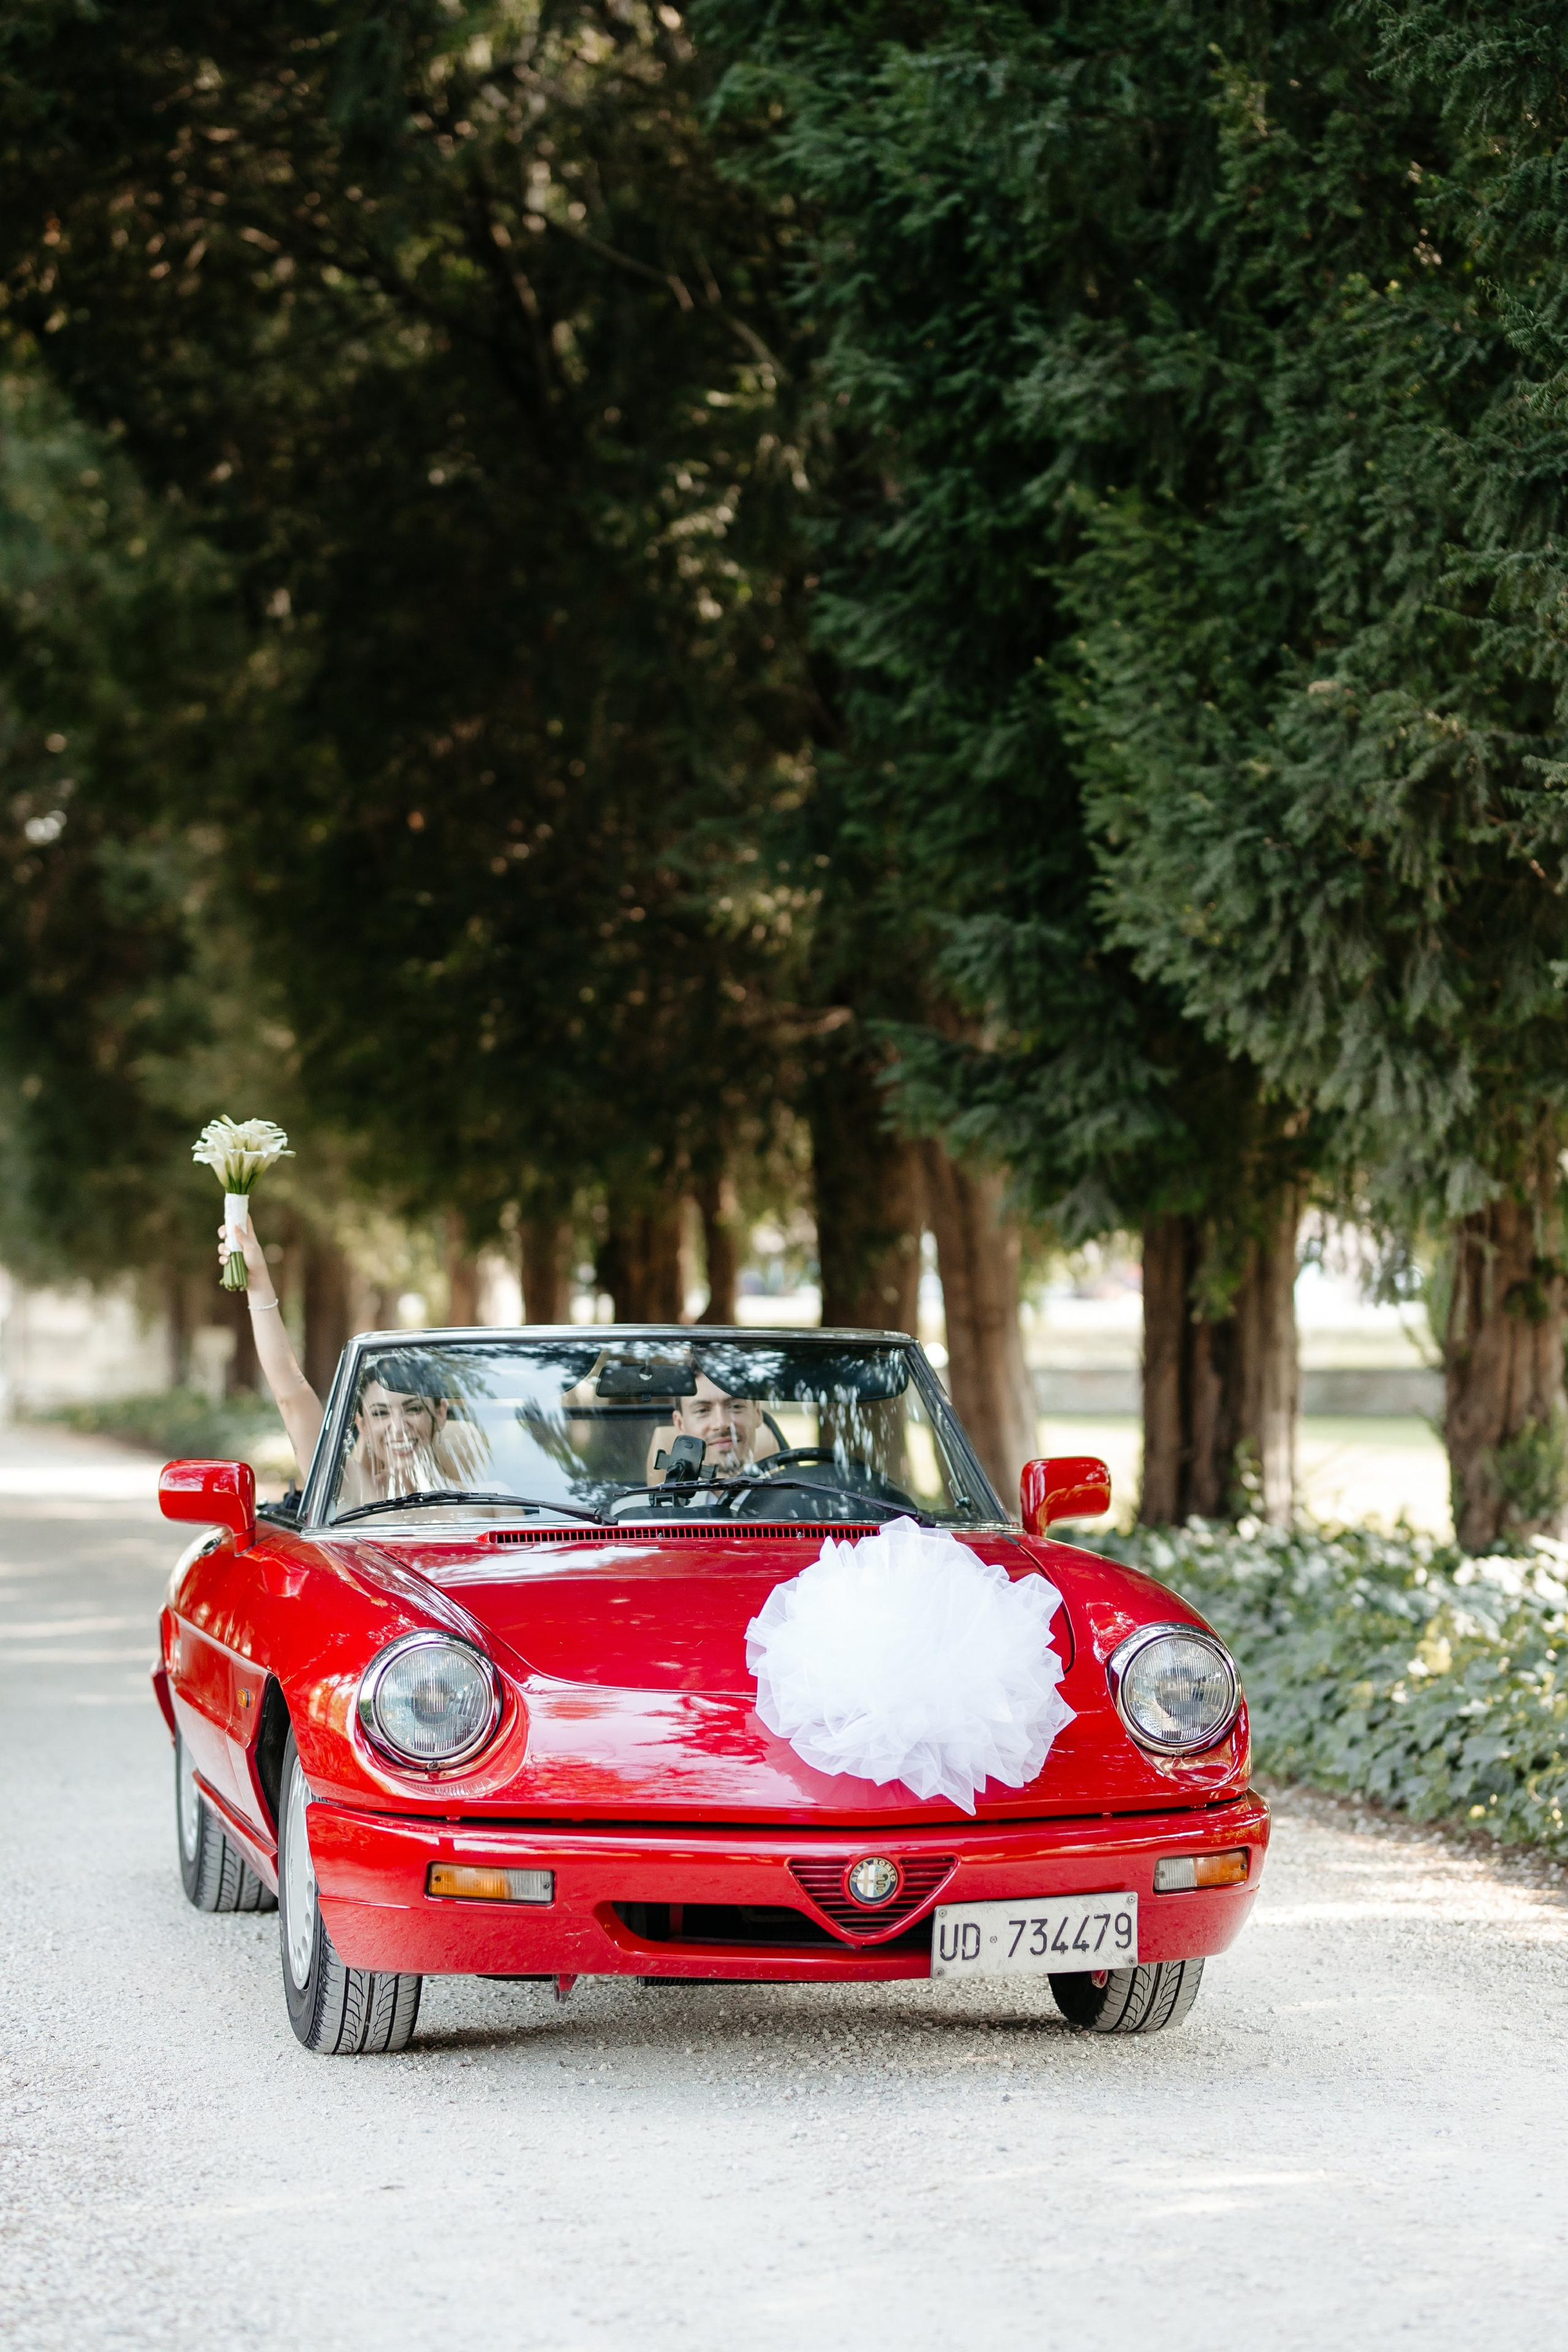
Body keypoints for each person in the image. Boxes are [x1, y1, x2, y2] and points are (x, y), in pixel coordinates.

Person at [222, 1218, 477, 1506]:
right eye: (380, 1413)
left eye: (413, 1409)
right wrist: (257, 1280)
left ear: (441, 1412)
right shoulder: (354, 1495)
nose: (398, 1426)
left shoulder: (492, 1501)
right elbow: (291, 1396)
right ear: (362, 1425)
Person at [649, 1371, 781, 1483]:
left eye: (736, 1407)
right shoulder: (651, 1512)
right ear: (680, 1424)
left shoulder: (795, 1506)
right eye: (702, 1411)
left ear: (757, 1413)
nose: (721, 1424)